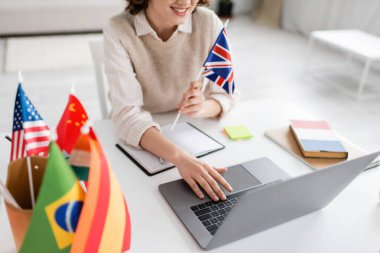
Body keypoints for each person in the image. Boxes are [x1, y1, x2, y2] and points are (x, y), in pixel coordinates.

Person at [103, 0, 238, 202]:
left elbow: (226, 95)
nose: (185, 2)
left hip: (187, 125)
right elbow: (126, 115)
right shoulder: (118, 28)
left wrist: (201, 108)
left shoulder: (208, 22)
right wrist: (180, 158)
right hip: (141, 132)